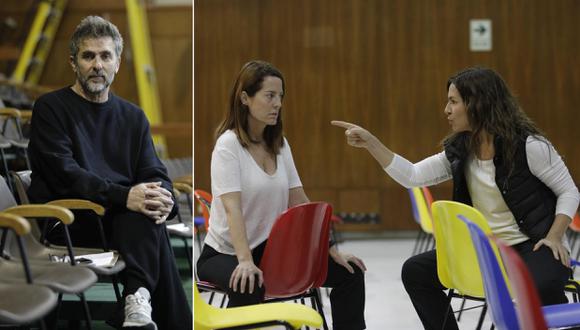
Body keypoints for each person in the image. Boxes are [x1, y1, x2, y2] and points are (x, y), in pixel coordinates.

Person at [332, 67, 579, 330]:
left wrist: (554, 236)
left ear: (478, 103)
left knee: (542, 285)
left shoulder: (530, 146)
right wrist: (372, 143)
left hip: (533, 244)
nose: (446, 110)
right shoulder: (459, 151)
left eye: (453, 101)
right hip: (486, 251)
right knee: (415, 272)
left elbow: (569, 191)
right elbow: (412, 175)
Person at [27, 16, 192, 330]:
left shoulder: (133, 116)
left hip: (122, 220)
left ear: (118, 62)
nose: (97, 65)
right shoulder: (50, 108)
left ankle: (136, 303)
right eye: (88, 56)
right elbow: (66, 174)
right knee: (142, 213)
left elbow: (153, 171)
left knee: (148, 208)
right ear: (73, 62)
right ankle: (141, 302)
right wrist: (126, 196)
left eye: (105, 56)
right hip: (70, 221)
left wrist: (165, 197)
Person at [196, 60, 367, 330]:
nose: (277, 104)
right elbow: (232, 209)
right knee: (248, 281)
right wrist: (244, 261)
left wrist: (331, 250)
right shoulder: (228, 145)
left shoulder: (280, 144)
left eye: (280, 97)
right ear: (245, 98)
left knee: (351, 273)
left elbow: (299, 200)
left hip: (269, 251)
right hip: (224, 254)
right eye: (270, 96)